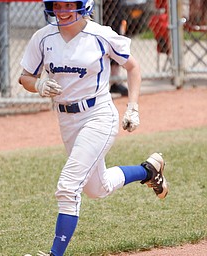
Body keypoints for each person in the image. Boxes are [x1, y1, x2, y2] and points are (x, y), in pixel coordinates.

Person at [18, 0, 169, 255]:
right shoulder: (43, 37)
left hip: (98, 115)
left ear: (83, 6)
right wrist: (39, 85)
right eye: (57, 5)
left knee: (68, 186)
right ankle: (148, 171)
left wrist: (132, 106)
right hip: (66, 119)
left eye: (68, 5)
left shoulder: (100, 35)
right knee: (97, 189)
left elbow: (133, 67)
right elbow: (25, 77)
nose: (62, 11)